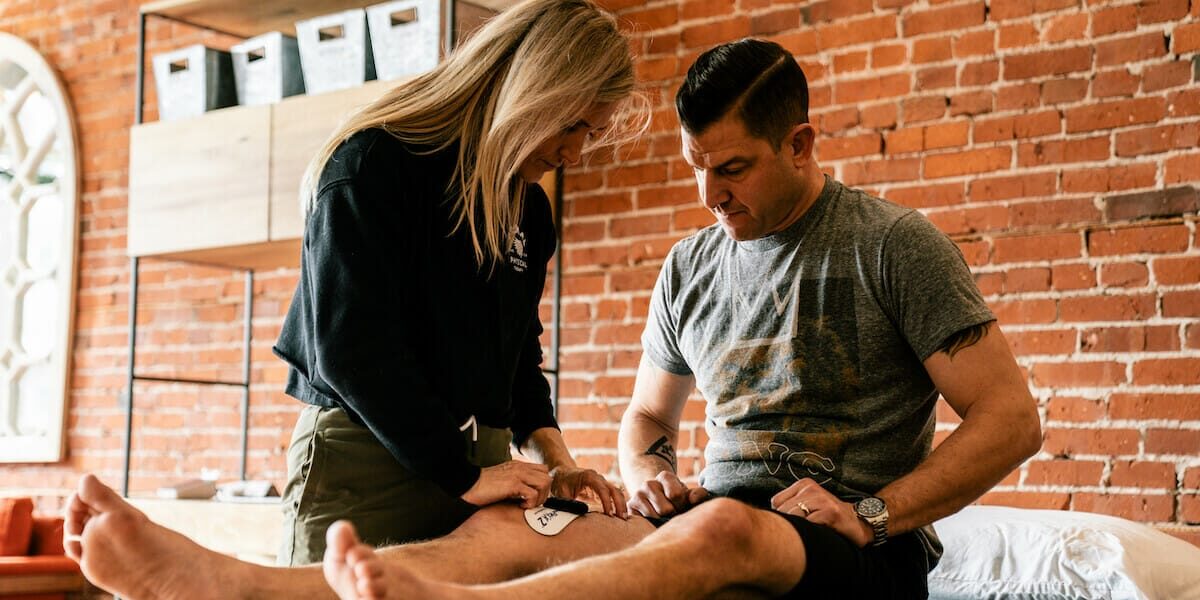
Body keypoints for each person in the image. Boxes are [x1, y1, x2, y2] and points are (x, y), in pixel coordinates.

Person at [63, 38, 1041, 600]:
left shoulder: (890, 247)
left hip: (848, 546)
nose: (711, 197)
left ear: (801, 143)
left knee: (716, 539)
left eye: (734, 170)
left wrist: (871, 514)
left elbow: (1010, 420)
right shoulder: (693, 264)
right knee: (523, 526)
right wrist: (645, 477)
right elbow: (648, 428)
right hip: (717, 513)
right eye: (699, 171)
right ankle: (243, 590)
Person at [270, 0, 647, 565]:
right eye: (570, 124)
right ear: (528, 87)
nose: (573, 152)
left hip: (483, 472)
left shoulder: (529, 211)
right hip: (368, 463)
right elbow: (352, 350)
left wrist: (558, 464)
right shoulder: (374, 164)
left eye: (589, 133)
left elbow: (517, 362)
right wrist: (462, 474)